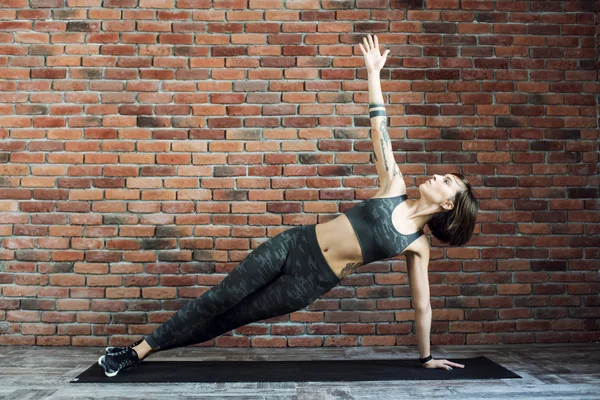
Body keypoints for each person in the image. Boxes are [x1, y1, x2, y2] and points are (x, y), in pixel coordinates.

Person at [98, 34, 478, 377]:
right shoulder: (394, 184)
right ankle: (136, 352)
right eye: (443, 174)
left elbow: (421, 307)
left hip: (310, 282)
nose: (437, 176)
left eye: (446, 182)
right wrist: (373, 73)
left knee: (227, 319)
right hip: (294, 244)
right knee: (220, 297)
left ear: (447, 204)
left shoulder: (417, 245)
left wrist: (427, 358)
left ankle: (139, 350)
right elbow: (379, 129)